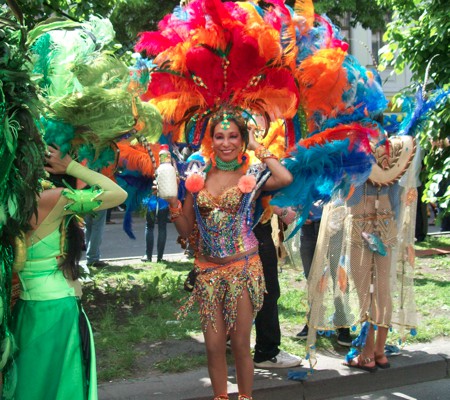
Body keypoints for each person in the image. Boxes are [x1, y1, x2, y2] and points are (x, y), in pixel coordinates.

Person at [169, 114, 293, 400]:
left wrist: (256, 145)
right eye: (220, 137)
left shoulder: (254, 173)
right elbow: (187, 229)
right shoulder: (197, 175)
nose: (226, 143)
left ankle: (245, 397)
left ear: (242, 139)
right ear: (211, 140)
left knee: (239, 343)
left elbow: (285, 177)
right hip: (208, 270)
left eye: (234, 136)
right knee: (213, 346)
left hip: (243, 267)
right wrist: (173, 204)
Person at [3, 145, 127, 399]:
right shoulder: (53, 198)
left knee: (29, 388)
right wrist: (70, 166)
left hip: (25, 311)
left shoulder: (8, 204)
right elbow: (117, 194)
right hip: (57, 311)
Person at [295, 202, 353, 347]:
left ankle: (342, 322)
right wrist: (297, 209)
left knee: (339, 276)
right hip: (308, 227)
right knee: (312, 277)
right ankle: (313, 320)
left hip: (334, 225)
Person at [141, 194, 169, 262]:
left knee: (149, 227)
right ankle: (160, 257)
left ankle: (148, 256)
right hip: (163, 200)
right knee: (162, 227)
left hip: (150, 200)